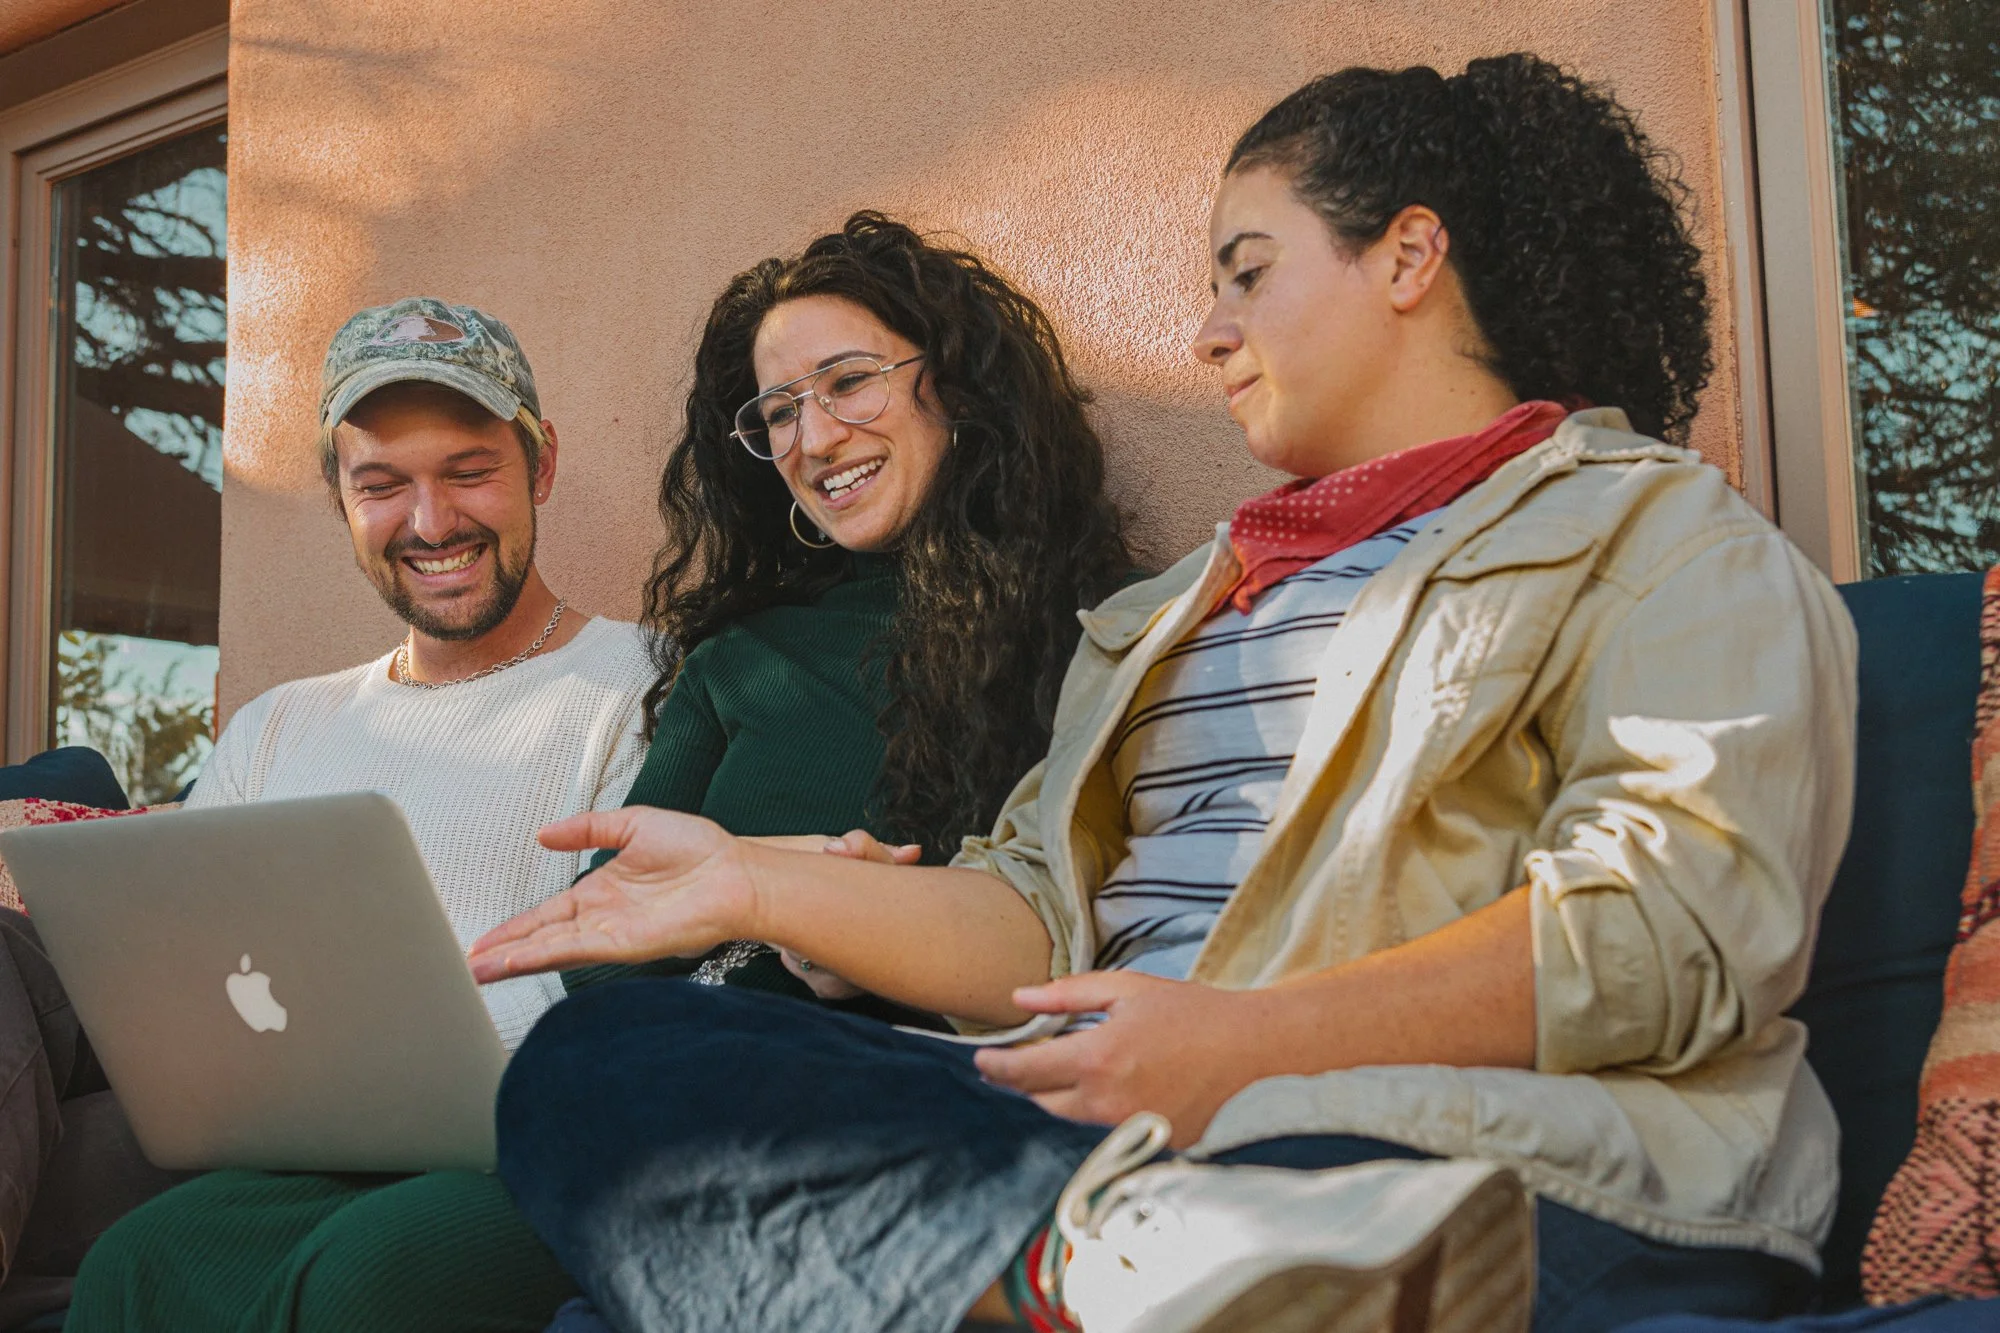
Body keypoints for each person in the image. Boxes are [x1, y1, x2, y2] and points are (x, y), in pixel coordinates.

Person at [480, 55, 1858, 1333]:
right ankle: (1106, 1256)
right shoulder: (1165, 619)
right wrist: (752, 889)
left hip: (1462, 1162)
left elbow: (1676, 922)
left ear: (1409, 257)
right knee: (608, 1060)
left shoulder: (1661, 538)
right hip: (1127, 1144)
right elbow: (1030, 914)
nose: (1208, 331)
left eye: (1246, 274)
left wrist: (1248, 1049)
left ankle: (1125, 1254)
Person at [71, 220, 1134, 1332]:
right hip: (632, 1081)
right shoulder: (741, 653)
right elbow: (618, 937)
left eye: (848, 383)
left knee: (365, 1282)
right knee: (142, 1259)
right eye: (779, 411)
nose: (816, 435)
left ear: (955, 385)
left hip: (815, 1090)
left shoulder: (1102, 631)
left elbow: (1070, 918)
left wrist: (827, 916)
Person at [56, 297, 654, 1331]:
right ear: (340, 496)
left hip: (529, 1149)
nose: (431, 523)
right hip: (293, 1154)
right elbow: (188, 978)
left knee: (357, 1288)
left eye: (469, 470)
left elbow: (630, 975)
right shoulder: (278, 724)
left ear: (541, 464)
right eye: (382, 483)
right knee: (135, 1263)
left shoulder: (641, 682)